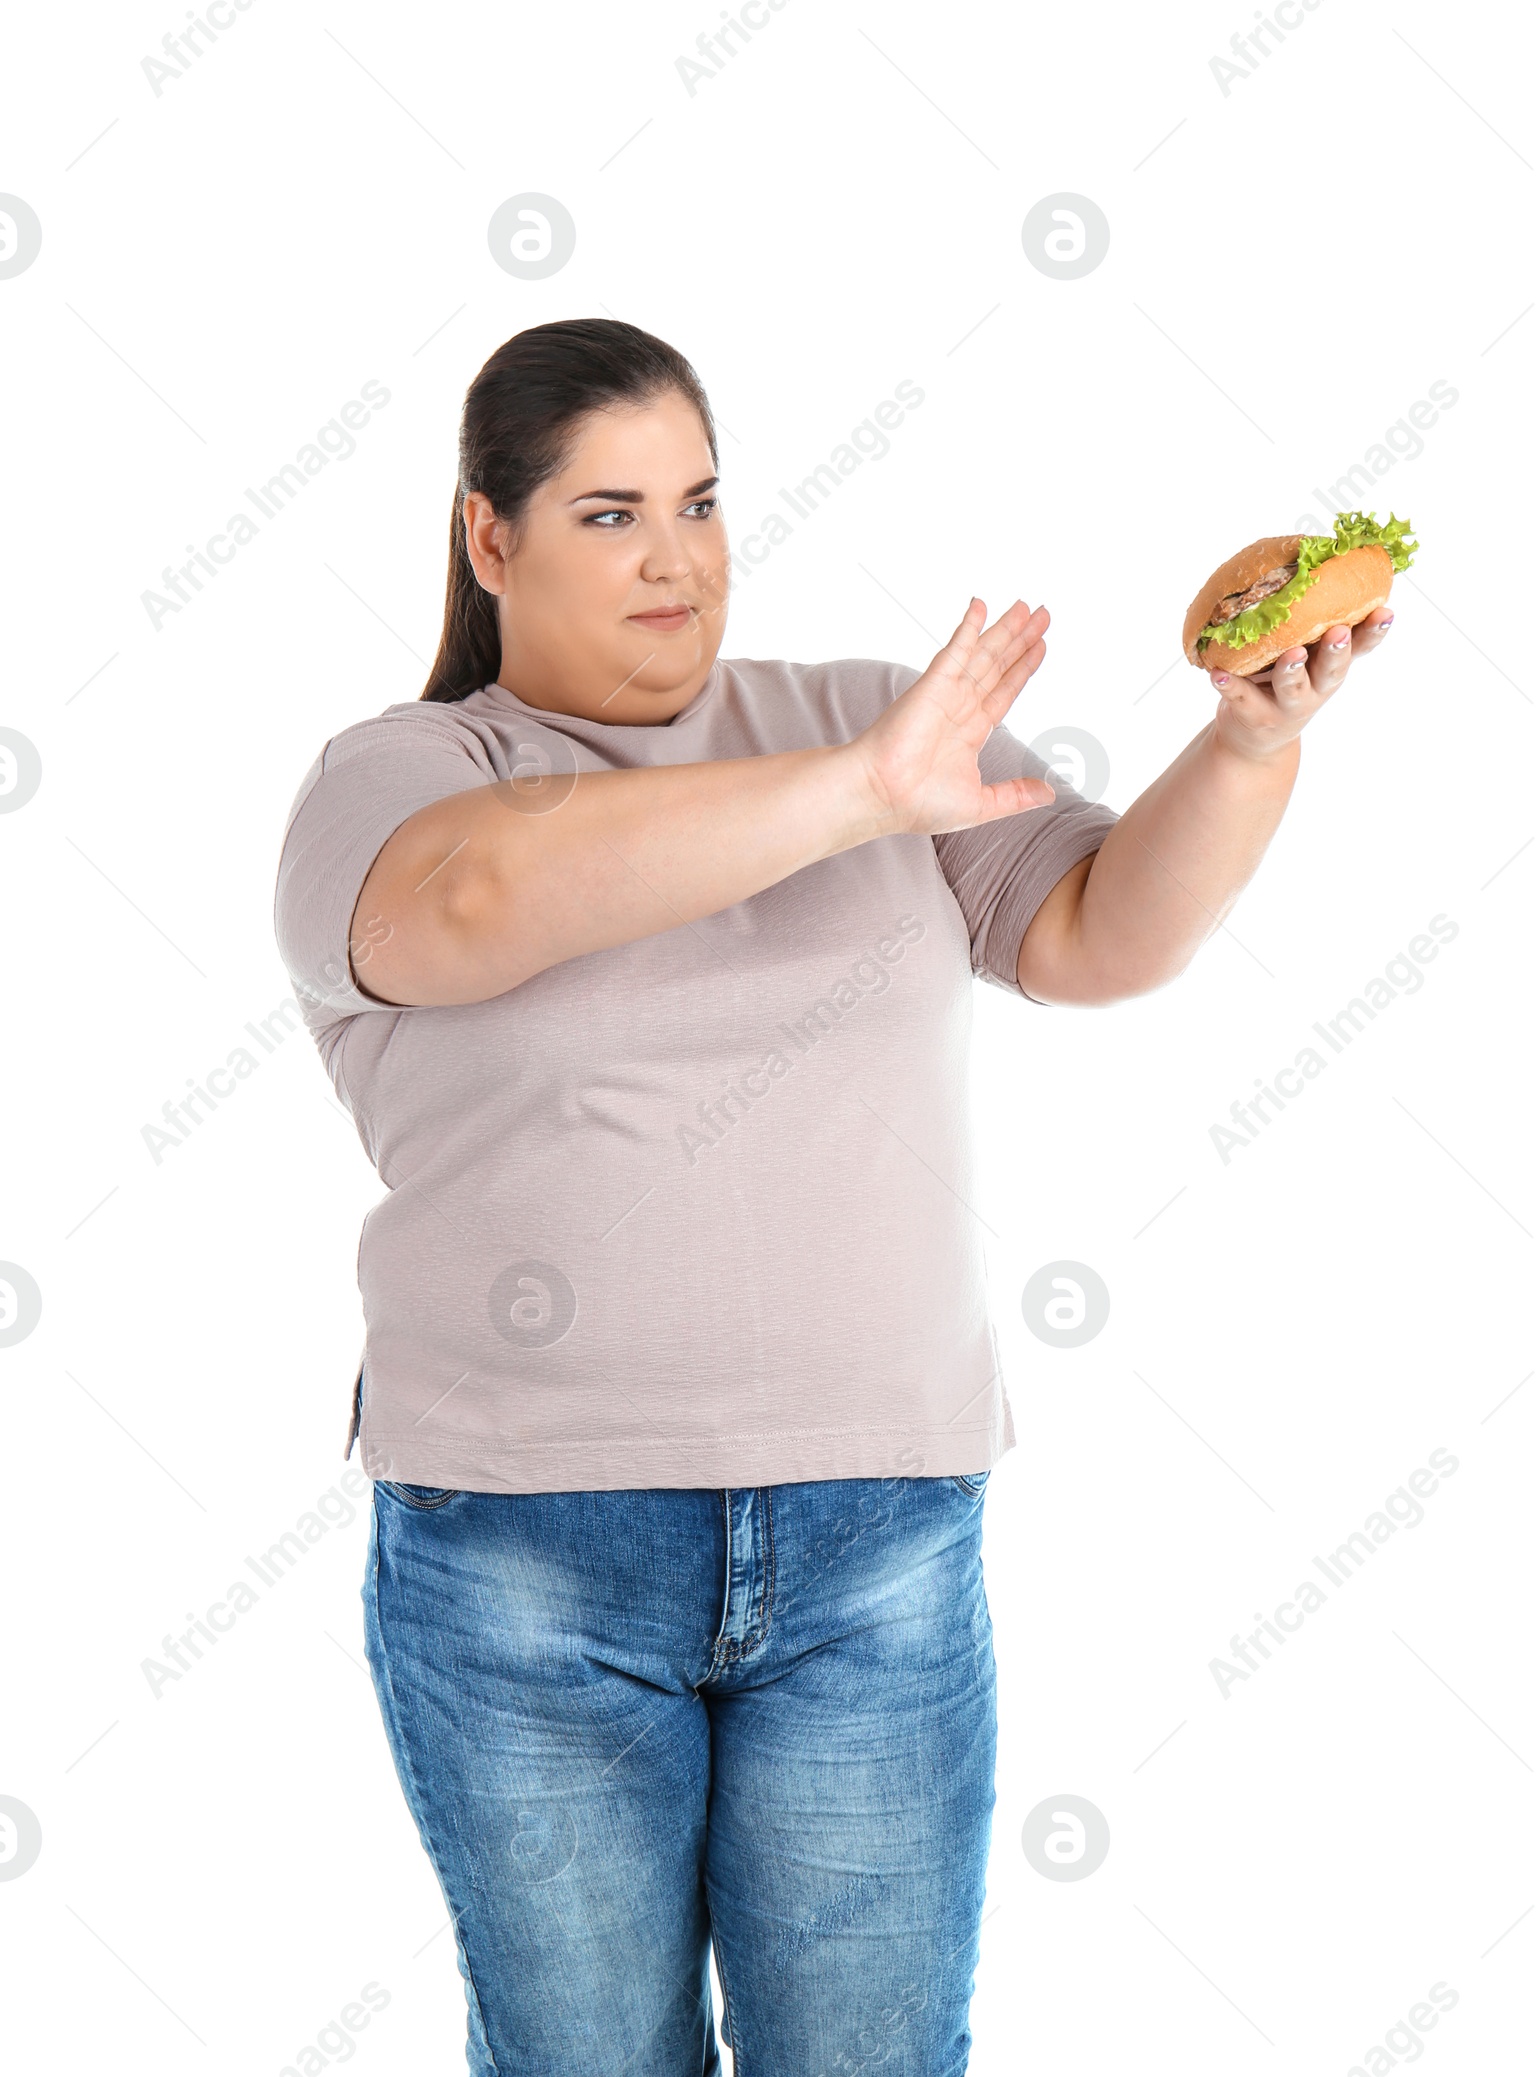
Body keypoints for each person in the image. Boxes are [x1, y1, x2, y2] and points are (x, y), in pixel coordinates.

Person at [272, 318, 1392, 2075]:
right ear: (489, 543)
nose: (676, 557)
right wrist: (863, 791)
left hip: (877, 1538)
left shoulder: (863, 722)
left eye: (702, 503)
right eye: (609, 513)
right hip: (528, 1560)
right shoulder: (403, 779)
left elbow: (1098, 933)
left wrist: (1247, 747)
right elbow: (485, 903)